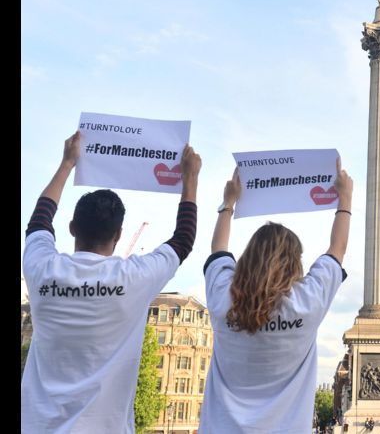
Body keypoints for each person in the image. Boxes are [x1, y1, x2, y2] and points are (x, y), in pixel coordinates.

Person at [21, 131, 201, 433]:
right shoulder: (133, 278)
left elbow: (39, 221)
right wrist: (190, 179)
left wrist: (67, 164)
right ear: (118, 235)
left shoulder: (42, 268)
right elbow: (184, 238)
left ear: (72, 228)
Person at [197, 160, 352, 433]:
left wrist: (228, 203)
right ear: (295, 263)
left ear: (247, 258)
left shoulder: (224, 299)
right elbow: (337, 248)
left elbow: (217, 249)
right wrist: (345, 199)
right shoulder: (307, 302)